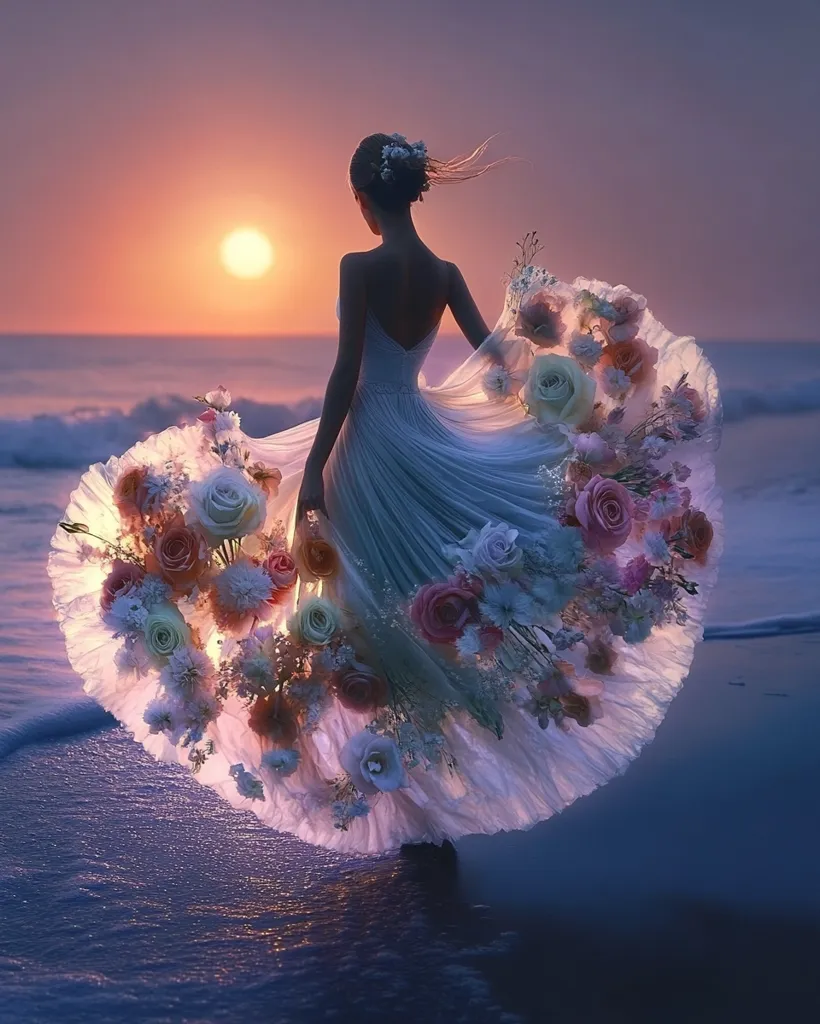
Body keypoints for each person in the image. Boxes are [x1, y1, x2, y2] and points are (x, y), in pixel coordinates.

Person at [50, 133, 722, 855]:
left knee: (376, 621)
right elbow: (498, 362)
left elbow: (346, 374)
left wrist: (314, 469)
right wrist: (566, 394)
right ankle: (429, 804)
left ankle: (410, 801)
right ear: (410, 192)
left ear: (363, 202)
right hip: (427, 438)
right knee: (431, 608)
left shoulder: (358, 266)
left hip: (370, 445)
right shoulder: (443, 270)